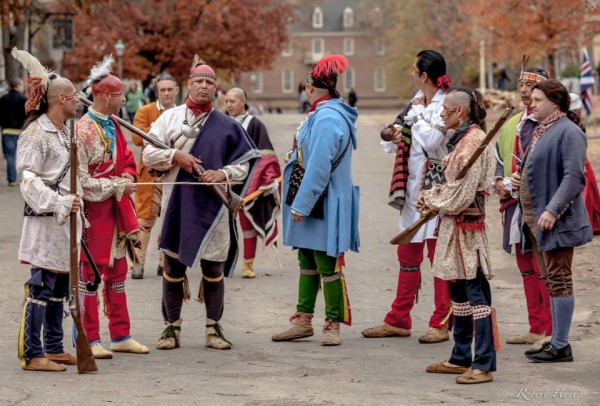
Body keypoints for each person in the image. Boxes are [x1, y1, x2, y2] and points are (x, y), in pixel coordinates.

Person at [143, 59, 260, 351]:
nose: (204, 86)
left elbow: (243, 167)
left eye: (209, 82)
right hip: (176, 204)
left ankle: (213, 330)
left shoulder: (228, 125)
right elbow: (147, 155)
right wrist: (175, 156)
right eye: (199, 81)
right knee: (172, 266)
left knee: (213, 268)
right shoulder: (168, 119)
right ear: (189, 84)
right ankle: (171, 328)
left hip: (215, 208)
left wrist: (222, 174)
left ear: (216, 87)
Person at [362, 49, 452, 344]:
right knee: (407, 252)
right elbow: (389, 138)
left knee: (437, 256)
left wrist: (416, 116)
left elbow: (433, 139)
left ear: (425, 75)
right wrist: (394, 133)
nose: (412, 73)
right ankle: (399, 319)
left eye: (415, 70)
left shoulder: (445, 105)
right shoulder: (416, 103)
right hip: (412, 188)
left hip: (437, 187)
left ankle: (441, 321)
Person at [272, 54, 359, 346]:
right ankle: (303, 319)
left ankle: (332, 324)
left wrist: (301, 204)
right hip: (318, 197)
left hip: (323, 200)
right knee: (307, 256)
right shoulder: (323, 114)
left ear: (310, 88)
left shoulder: (327, 118)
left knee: (326, 260)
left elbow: (320, 166)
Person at [511, 80, 593, 363]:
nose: (531, 104)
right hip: (536, 222)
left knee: (559, 279)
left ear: (554, 103)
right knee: (550, 279)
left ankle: (561, 344)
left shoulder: (569, 132)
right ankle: (554, 341)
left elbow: (574, 178)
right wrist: (518, 181)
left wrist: (552, 210)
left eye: (537, 99)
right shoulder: (543, 129)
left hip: (555, 220)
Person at [13, 49, 81, 372]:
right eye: (75, 97)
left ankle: (54, 347)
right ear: (61, 99)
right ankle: (32, 353)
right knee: (40, 285)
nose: (78, 101)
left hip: (65, 223)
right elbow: (28, 180)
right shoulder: (35, 133)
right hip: (43, 221)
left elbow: (72, 177)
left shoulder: (66, 131)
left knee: (59, 286)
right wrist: (59, 202)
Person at [422, 88, 497, 384]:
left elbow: (462, 194)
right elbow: (450, 185)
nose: (441, 113)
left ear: (460, 112)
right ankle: (460, 357)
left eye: (446, 109)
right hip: (455, 226)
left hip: (469, 230)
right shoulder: (465, 140)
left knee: (476, 294)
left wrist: (432, 199)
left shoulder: (474, 143)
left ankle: (484, 364)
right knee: (460, 294)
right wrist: (434, 195)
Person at [76, 55, 149, 359]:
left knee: (118, 274)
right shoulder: (82, 131)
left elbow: (128, 161)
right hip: (94, 215)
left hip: (118, 212)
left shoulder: (115, 124)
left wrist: (128, 177)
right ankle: (89, 338)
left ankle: (120, 334)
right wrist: (119, 185)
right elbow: (80, 181)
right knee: (90, 277)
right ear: (106, 96)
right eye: (120, 94)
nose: (124, 97)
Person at [494, 67, 552, 348]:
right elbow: (498, 157)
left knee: (545, 267)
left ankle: (551, 329)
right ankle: (535, 325)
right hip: (514, 203)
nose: (525, 90)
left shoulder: (552, 124)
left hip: (542, 206)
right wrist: (499, 181)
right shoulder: (512, 123)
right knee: (525, 265)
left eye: (532, 85)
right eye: (521, 84)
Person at [225, 87, 281, 278]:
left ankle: (248, 264)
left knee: (246, 223)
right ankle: (221, 263)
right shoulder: (221, 122)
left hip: (248, 182)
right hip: (222, 179)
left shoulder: (255, 124)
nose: (229, 105)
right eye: (226, 101)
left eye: (232, 101)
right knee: (221, 225)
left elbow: (266, 155)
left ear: (243, 101)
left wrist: (263, 179)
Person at [130, 73, 179, 279]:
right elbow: (136, 138)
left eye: (170, 89)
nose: (167, 93)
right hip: (150, 172)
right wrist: (161, 125)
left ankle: (164, 261)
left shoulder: (183, 112)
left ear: (176, 91)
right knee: (144, 218)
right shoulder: (146, 110)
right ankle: (138, 263)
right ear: (157, 91)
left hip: (175, 171)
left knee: (171, 216)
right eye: (163, 90)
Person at [568, 93, 600, 235]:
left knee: (590, 191)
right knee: (585, 193)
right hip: (579, 162)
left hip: (582, 160)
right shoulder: (574, 126)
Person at [0, 78, 27, 186]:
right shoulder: (23, 99)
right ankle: (26, 178)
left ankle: (12, 179)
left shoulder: (3, 99)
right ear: (18, 86)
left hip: (7, 131)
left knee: (10, 156)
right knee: (25, 156)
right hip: (21, 131)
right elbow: (27, 114)